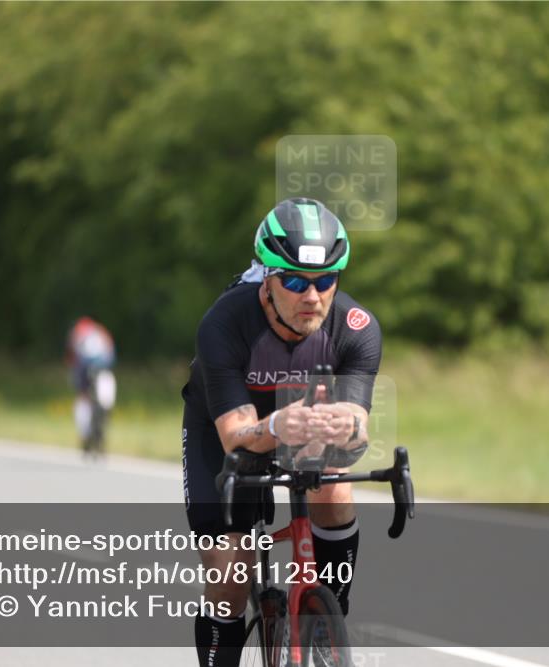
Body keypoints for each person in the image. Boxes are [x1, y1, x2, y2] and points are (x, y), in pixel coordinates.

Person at [181, 198, 381, 666]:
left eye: (325, 281)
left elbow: (357, 423)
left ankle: (326, 620)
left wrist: (347, 425)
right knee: (230, 570)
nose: (312, 297)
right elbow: (235, 436)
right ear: (266, 279)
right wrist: (276, 425)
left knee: (333, 485)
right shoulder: (224, 324)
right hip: (225, 425)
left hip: (300, 419)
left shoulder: (357, 329)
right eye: (294, 281)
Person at [66, 316, 116, 454]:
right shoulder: (101, 332)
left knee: (84, 400)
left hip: (90, 372)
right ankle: (96, 437)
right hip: (103, 372)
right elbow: (111, 355)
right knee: (103, 405)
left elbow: (72, 359)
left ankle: (88, 435)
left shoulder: (79, 335)